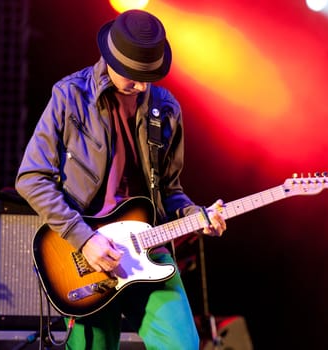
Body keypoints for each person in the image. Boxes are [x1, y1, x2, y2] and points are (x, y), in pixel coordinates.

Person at [15, 8, 227, 350]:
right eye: (133, 74)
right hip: (88, 257)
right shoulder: (70, 96)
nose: (142, 85)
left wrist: (197, 217)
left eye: (149, 75)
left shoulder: (166, 107)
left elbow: (171, 192)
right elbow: (31, 177)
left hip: (150, 250)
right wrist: (83, 238)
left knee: (184, 345)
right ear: (110, 58)